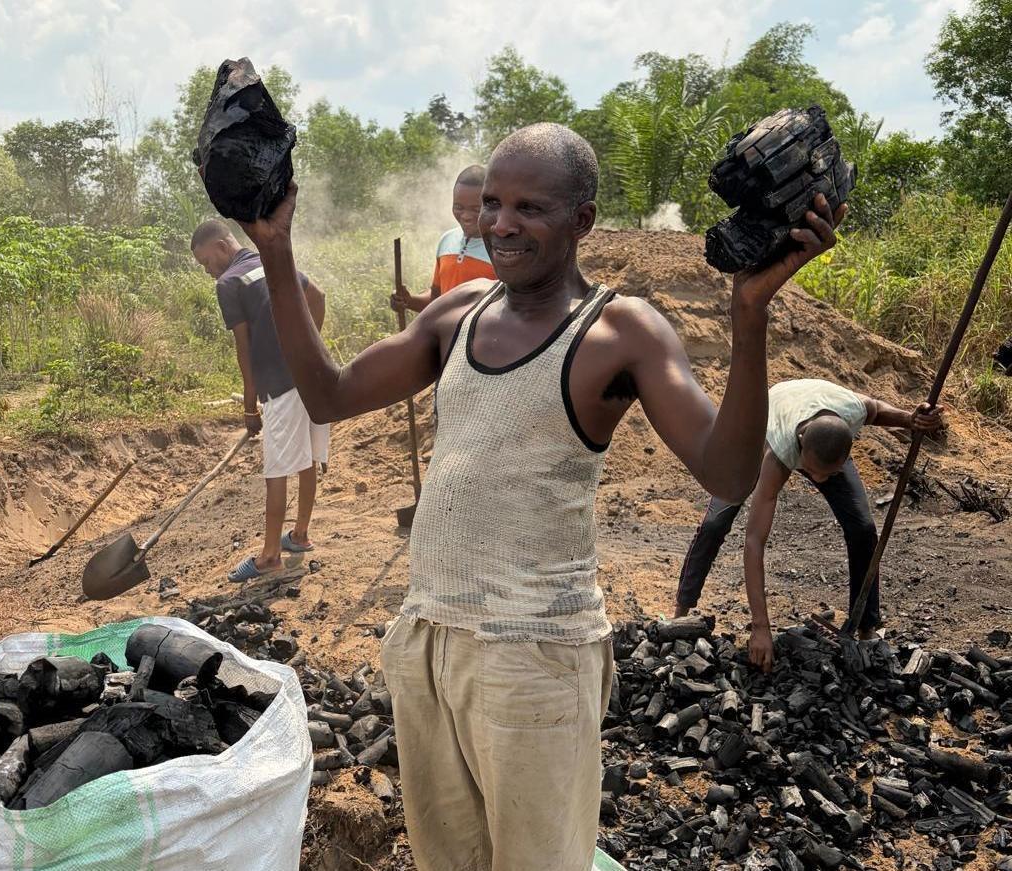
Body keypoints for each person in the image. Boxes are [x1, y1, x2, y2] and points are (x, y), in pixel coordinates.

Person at [237, 122, 844, 871]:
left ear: (582, 220)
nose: (499, 223)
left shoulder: (620, 331)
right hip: (430, 640)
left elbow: (726, 473)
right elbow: (327, 395)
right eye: (492, 202)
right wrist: (275, 249)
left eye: (529, 207)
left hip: (535, 654)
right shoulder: (457, 316)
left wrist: (748, 315)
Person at [675, 378, 945, 670]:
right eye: (814, 472)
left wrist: (912, 419)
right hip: (764, 423)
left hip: (821, 423)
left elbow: (876, 410)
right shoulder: (779, 452)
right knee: (716, 523)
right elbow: (754, 541)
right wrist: (761, 626)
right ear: (801, 446)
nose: (818, 481)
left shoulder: (851, 412)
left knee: (863, 529)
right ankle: (681, 612)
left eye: (827, 475)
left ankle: (867, 627)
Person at [190, 219, 328, 582]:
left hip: (279, 385)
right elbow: (319, 297)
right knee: (306, 456)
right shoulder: (269, 260)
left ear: (222, 246)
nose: (209, 271)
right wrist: (307, 347)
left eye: (207, 262)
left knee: (277, 468)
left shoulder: (229, 283)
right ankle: (299, 535)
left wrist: (250, 407)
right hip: (313, 376)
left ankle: (269, 557)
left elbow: (243, 349)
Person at [391, 164, 495, 313]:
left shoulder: (501, 249)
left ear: (491, 205)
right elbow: (436, 300)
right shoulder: (447, 240)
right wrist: (408, 301)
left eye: (476, 209)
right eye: (458, 207)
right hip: (445, 336)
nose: (465, 216)